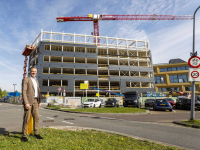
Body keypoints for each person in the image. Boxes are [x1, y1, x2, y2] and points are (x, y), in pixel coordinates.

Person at [21, 67, 43, 142]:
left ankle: (36, 133)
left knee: (36, 118)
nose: (33, 72)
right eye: (32, 71)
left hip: (36, 101)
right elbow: (24, 91)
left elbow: (38, 91)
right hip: (29, 102)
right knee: (26, 119)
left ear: (36, 72)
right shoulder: (26, 79)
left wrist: (39, 101)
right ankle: (24, 135)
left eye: (35, 71)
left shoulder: (36, 80)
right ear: (30, 72)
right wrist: (26, 102)